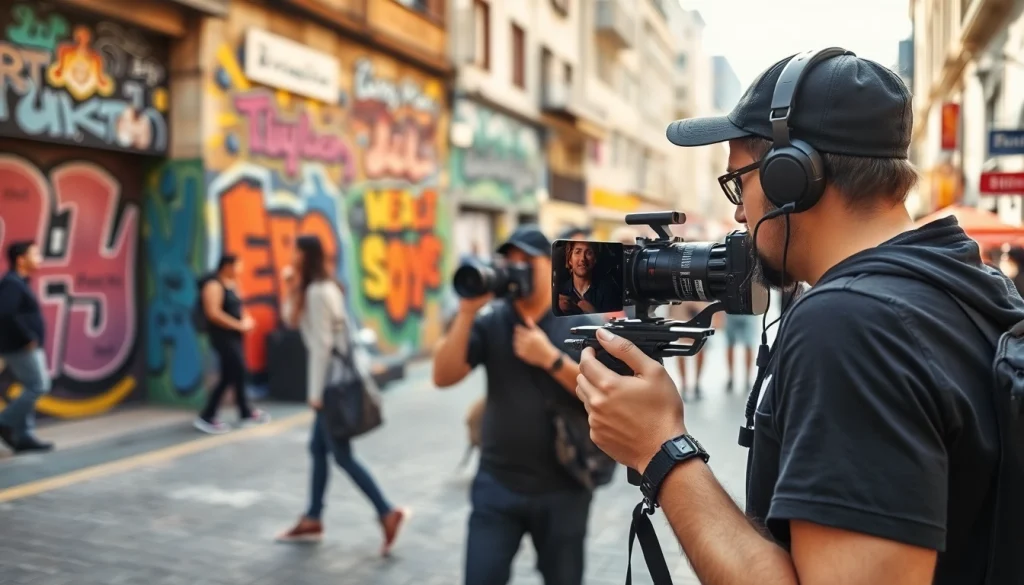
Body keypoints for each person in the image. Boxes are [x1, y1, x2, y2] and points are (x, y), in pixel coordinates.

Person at [574, 49, 1024, 585]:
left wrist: (659, 448)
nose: (739, 212)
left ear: (792, 177)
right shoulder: (971, 284)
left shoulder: (851, 324)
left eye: (738, 181)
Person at [432, 225, 601, 585]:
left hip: (563, 487)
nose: (516, 269)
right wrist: (466, 313)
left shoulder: (578, 322)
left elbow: (601, 392)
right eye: (509, 262)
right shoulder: (493, 320)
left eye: (527, 261)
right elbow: (443, 376)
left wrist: (550, 360)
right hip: (497, 484)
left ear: (551, 266)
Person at [276, 235, 408, 554]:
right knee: (318, 449)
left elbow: (322, 346)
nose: (291, 257)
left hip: (332, 386)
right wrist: (291, 287)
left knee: (342, 455)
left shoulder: (320, 292)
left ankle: (386, 512)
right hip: (334, 382)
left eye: (295, 252)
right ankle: (313, 517)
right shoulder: (316, 289)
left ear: (305, 256)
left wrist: (315, 393)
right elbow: (290, 320)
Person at [194, 255, 270, 434]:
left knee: (232, 374)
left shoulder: (232, 283)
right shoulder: (213, 284)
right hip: (222, 337)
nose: (240, 269)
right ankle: (208, 415)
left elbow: (239, 308)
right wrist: (239, 325)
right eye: (238, 266)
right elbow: (213, 313)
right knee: (237, 371)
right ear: (227, 266)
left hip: (235, 337)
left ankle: (243, 412)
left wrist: (246, 320)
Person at [0, 241, 54, 453]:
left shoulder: (18, 282)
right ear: (21, 260)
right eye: (35, 254)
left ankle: (24, 437)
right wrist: (26, 338)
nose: (39, 257)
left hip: (24, 346)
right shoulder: (12, 283)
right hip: (21, 347)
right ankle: (4, 421)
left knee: (29, 386)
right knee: (39, 385)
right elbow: (5, 314)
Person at [557, 241, 618, 315]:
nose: (582, 258)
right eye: (578, 252)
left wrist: (593, 312)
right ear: (570, 260)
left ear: (595, 259)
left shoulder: (608, 290)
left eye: (589, 253)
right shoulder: (560, 292)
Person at [723, 312, 758, 392]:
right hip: (732, 311)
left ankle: (746, 379)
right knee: (730, 344)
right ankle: (731, 377)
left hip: (748, 313)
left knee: (748, 344)